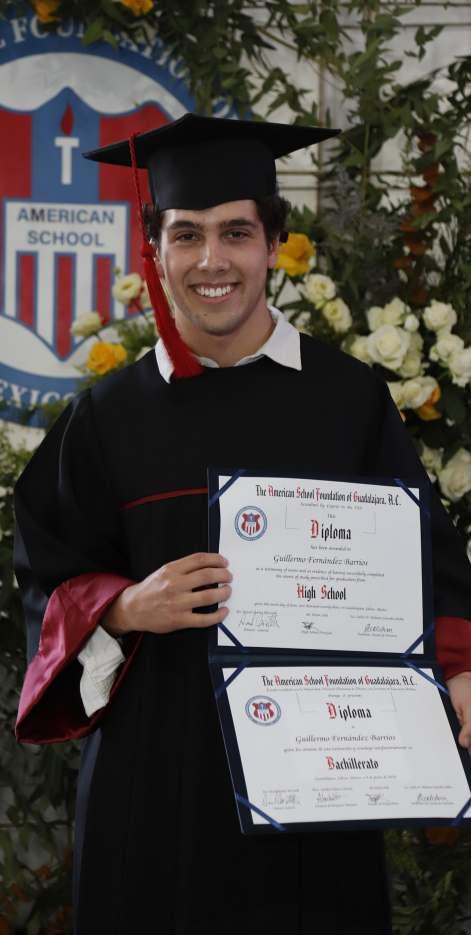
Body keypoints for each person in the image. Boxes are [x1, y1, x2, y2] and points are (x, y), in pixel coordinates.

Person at [14, 114, 471, 935]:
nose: (211, 260)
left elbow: (424, 561)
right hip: (154, 782)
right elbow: (47, 574)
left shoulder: (347, 400)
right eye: (186, 235)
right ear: (155, 250)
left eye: (235, 232)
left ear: (272, 244)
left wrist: (461, 671)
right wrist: (126, 605)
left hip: (319, 783)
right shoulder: (109, 417)